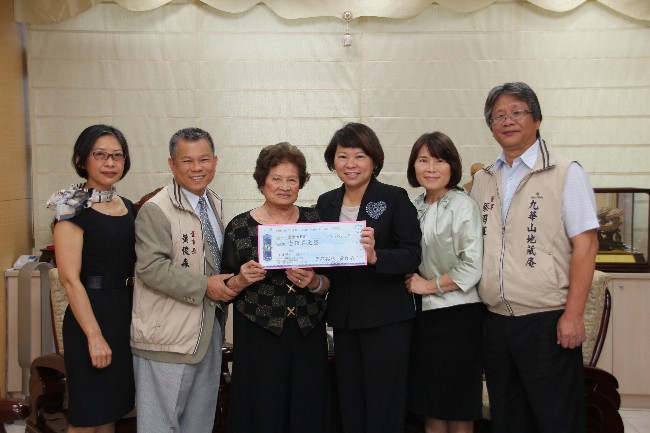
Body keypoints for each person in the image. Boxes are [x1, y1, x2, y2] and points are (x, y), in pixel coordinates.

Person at [471, 82, 599, 433]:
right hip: (495, 322)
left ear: (537, 119)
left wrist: (573, 315)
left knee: (556, 419)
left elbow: (586, 245)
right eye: (498, 116)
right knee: (508, 419)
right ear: (491, 127)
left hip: (546, 320)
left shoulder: (565, 172)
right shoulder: (484, 179)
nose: (507, 120)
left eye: (517, 112)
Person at [316, 122, 422, 433]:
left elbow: (412, 254)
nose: (351, 164)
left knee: (384, 403)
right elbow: (323, 256)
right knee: (351, 401)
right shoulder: (326, 202)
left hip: (386, 318)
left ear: (374, 160)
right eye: (342, 156)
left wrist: (376, 256)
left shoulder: (393, 197)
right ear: (333, 161)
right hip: (344, 318)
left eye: (359, 156)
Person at [130, 127, 234, 433]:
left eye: (204, 159)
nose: (197, 167)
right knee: (160, 427)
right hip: (167, 338)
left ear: (215, 161)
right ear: (172, 164)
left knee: (199, 425)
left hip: (207, 332)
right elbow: (151, 268)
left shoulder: (213, 201)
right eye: (187, 161)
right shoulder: (156, 209)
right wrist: (205, 286)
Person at [222, 142, 331, 433]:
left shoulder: (315, 221)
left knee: (308, 406)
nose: (284, 186)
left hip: (308, 330)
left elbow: (332, 280)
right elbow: (224, 286)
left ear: (301, 183)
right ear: (262, 182)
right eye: (276, 179)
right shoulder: (239, 227)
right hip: (259, 333)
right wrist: (241, 278)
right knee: (261, 408)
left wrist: (315, 282)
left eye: (292, 179)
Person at [46, 124, 135, 432]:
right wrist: (94, 336)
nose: (110, 163)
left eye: (117, 156)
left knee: (111, 411)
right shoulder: (72, 209)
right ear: (81, 159)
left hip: (124, 313)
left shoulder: (127, 206)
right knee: (87, 416)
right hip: (90, 318)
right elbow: (70, 280)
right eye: (100, 155)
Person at [404, 132, 485, 433]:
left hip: (458, 315)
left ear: (452, 165)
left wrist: (427, 286)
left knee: (458, 405)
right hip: (423, 317)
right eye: (423, 160)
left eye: (439, 160)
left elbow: (471, 266)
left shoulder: (463, 205)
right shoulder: (414, 205)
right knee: (431, 404)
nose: (431, 168)